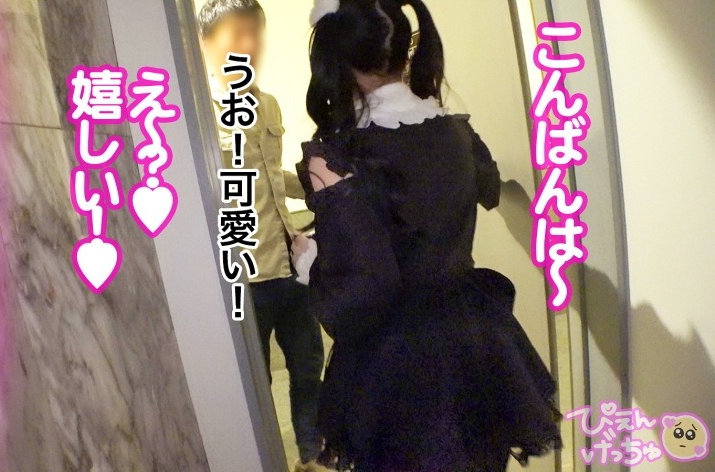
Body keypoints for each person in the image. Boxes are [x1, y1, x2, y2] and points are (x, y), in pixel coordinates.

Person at [298, 0, 563, 470]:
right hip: (475, 339)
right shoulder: (454, 129)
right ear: (404, 47)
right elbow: (487, 189)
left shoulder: (339, 153)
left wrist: (309, 263)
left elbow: (360, 296)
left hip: (399, 360)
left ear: (337, 59)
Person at [197, 2, 330, 471]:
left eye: (256, 34)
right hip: (244, 274)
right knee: (253, 383)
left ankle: (312, 458)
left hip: (289, 263)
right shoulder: (198, 112)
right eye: (237, 35)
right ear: (206, 44)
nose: (249, 45)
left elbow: (270, 176)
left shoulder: (267, 103)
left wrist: (318, 189)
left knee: (308, 368)